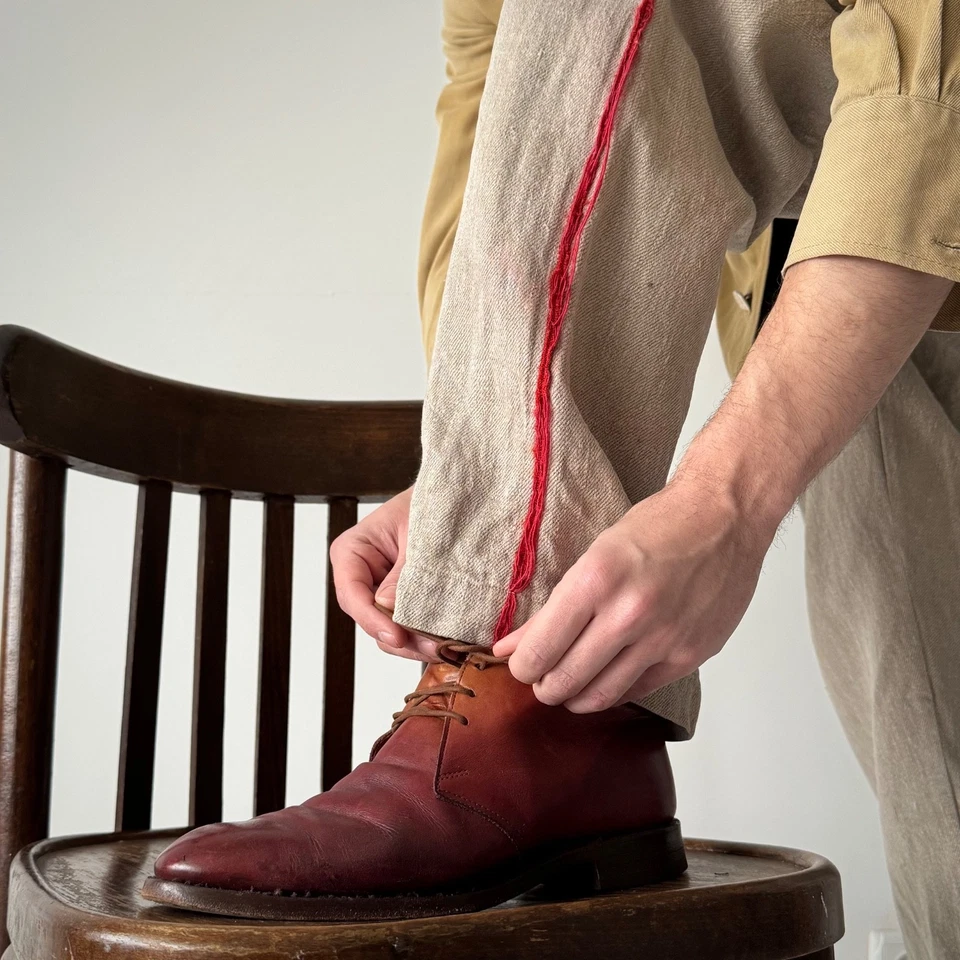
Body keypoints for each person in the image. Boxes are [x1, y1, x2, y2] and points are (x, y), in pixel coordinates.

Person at [142, 2, 960, 956]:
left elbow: (930, 61)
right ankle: (555, 737)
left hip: (897, 207)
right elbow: (499, 99)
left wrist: (725, 500)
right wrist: (478, 479)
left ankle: (532, 739)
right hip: (858, 322)